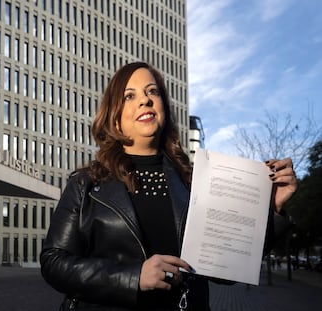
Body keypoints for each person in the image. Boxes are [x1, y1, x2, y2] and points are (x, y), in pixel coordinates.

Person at [40, 62, 297, 310]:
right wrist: (133, 277)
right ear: (115, 118)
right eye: (130, 96)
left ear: (163, 108)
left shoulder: (195, 182)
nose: (145, 100)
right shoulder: (86, 184)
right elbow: (54, 262)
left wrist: (272, 209)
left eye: (152, 92)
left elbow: (226, 270)